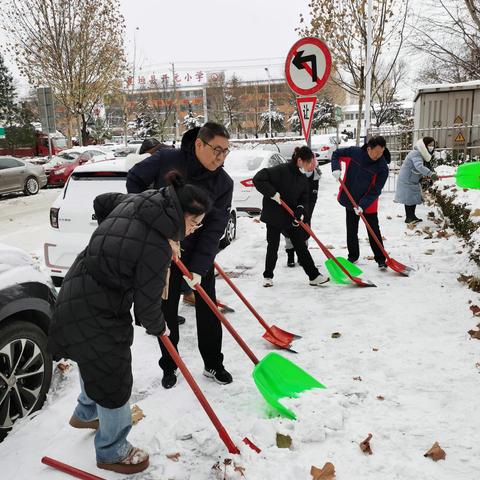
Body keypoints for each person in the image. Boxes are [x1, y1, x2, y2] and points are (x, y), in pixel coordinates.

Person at [47, 172, 211, 475]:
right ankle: (112, 450)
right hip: (100, 307)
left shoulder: (142, 200)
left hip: (77, 286)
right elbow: (148, 305)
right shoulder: (156, 248)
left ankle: (87, 412)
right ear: (182, 214)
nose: (193, 230)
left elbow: (102, 202)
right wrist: (160, 327)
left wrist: (110, 240)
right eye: (194, 223)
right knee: (114, 377)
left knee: (91, 356)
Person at [126, 122, 234, 389]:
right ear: (199, 144)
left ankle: (213, 363)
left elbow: (215, 228)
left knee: (208, 309)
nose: (220, 158)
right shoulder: (167, 159)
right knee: (167, 311)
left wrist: (198, 268)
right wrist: (152, 222)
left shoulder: (223, 183)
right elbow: (135, 180)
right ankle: (169, 365)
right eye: (216, 150)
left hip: (198, 253)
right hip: (163, 252)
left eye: (226, 152)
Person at [253, 146, 329, 287]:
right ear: (300, 160)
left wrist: (300, 210)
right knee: (273, 246)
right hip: (274, 215)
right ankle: (268, 276)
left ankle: (313, 276)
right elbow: (258, 179)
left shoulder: (302, 178)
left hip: (290, 216)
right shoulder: (280, 170)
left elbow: (304, 198)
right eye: (308, 163)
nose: (310, 167)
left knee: (300, 245)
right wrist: (272, 193)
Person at [331, 136, 389, 269]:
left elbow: (376, 190)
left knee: (373, 230)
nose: (378, 156)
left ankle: (380, 259)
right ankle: (353, 256)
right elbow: (336, 154)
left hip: (369, 203)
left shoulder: (382, 168)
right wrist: (336, 168)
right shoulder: (355, 153)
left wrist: (362, 205)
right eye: (376, 153)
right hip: (350, 197)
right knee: (351, 229)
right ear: (369, 148)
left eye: (381, 153)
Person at [284, 157, 320, 267]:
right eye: (308, 168)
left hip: (307, 208)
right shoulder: (293, 175)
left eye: (311, 169)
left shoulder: (315, 178)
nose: (309, 171)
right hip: (292, 206)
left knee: (305, 233)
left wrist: (307, 213)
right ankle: (290, 256)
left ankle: (302, 256)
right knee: (289, 232)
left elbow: (313, 198)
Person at [394, 137, 438, 224]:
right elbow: (419, 166)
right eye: (429, 145)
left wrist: (427, 174)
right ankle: (409, 218)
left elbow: (420, 167)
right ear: (424, 145)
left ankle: (412, 216)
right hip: (407, 179)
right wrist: (430, 174)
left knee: (412, 198)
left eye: (433, 145)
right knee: (409, 199)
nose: (431, 147)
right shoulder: (416, 153)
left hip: (412, 179)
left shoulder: (422, 154)